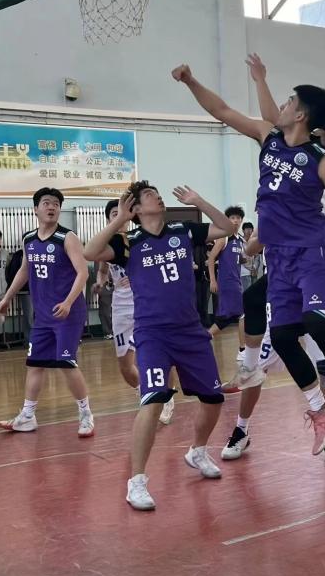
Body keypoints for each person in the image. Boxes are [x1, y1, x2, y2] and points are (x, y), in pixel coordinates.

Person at [175, 55, 325, 478]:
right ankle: (320, 409)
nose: (282, 106)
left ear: (301, 114)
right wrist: (191, 81)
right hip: (279, 259)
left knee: (316, 323)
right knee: (286, 335)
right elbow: (222, 110)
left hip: (313, 255)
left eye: (290, 101)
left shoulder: (320, 161)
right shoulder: (267, 137)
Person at [84, 182, 234, 510]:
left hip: (190, 331)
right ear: (137, 208)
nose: (159, 196)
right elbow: (89, 252)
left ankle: (197, 451)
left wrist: (198, 201)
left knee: (213, 399)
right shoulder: (128, 242)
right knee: (152, 401)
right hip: (153, 334)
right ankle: (136, 481)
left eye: (157, 193)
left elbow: (227, 228)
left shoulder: (183, 231)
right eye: (150, 195)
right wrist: (118, 219)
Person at [222, 225, 325, 467]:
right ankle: (241, 429)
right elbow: (251, 247)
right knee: (256, 371)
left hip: (314, 293)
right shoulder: (275, 213)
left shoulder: (318, 218)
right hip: (282, 297)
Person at [0, 188, 94, 439]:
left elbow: (83, 272)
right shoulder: (29, 239)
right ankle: (27, 416)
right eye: (46, 203)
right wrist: (7, 297)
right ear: (36, 209)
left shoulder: (67, 238)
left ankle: (86, 414)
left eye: (56, 204)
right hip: (42, 315)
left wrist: (68, 302)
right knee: (35, 364)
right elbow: (24, 270)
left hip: (67, 314)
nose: (51, 207)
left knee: (66, 363)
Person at [92, 198, 178, 427]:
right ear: (109, 219)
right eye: (114, 213)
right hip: (121, 307)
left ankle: (167, 398)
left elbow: (161, 268)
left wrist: (143, 278)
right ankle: (148, 392)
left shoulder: (141, 238)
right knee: (125, 366)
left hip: (146, 303)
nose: (119, 216)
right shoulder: (107, 244)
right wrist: (100, 282)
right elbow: (102, 270)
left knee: (161, 354)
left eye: (123, 212)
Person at [207, 206, 248, 365]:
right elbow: (211, 258)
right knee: (241, 315)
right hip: (227, 282)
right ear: (227, 220)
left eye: (238, 218)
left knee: (228, 317)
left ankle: (203, 339)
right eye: (232, 218)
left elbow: (239, 259)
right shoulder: (224, 238)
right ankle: (242, 350)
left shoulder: (239, 240)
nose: (235, 221)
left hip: (236, 281)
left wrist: (244, 258)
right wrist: (213, 280)